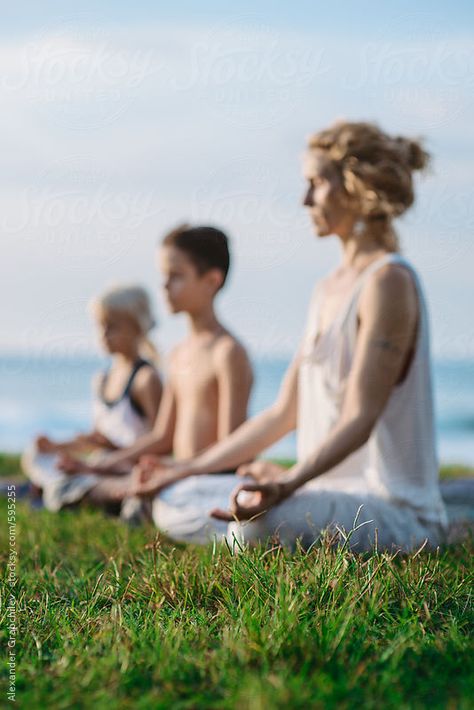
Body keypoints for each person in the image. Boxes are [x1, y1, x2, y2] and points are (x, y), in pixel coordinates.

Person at [131, 121, 449, 552]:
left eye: (316, 184)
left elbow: (360, 415)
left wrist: (290, 481)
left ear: (356, 187)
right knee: (178, 494)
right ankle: (233, 522)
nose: (304, 200)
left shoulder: (387, 281)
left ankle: (241, 529)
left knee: (256, 523)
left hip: (391, 510)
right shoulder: (326, 290)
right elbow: (282, 413)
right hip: (322, 495)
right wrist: (185, 470)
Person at [57, 224, 254, 514]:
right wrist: (101, 464)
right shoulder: (178, 354)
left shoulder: (227, 353)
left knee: (125, 497)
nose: (163, 286)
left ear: (211, 281)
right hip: (178, 475)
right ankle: (99, 488)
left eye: (176, 276)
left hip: (206, 482)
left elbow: (232, 450)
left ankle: (106, 494)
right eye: (164, 276)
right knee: (85, 480)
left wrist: (173, 470)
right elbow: (163, 437)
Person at [22, 284, 162, 511]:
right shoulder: (102, 379)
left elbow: (161, 441)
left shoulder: (146, 379)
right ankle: (55, 488)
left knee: (93, 479)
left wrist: (110, 455)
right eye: (101, 327)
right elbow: (97, 438)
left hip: (125, 466)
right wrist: (57, 446)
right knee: (36, 454)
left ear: (137, 327)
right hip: (100, 464)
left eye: (112, 327)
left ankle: (52, 490)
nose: (104, 335)